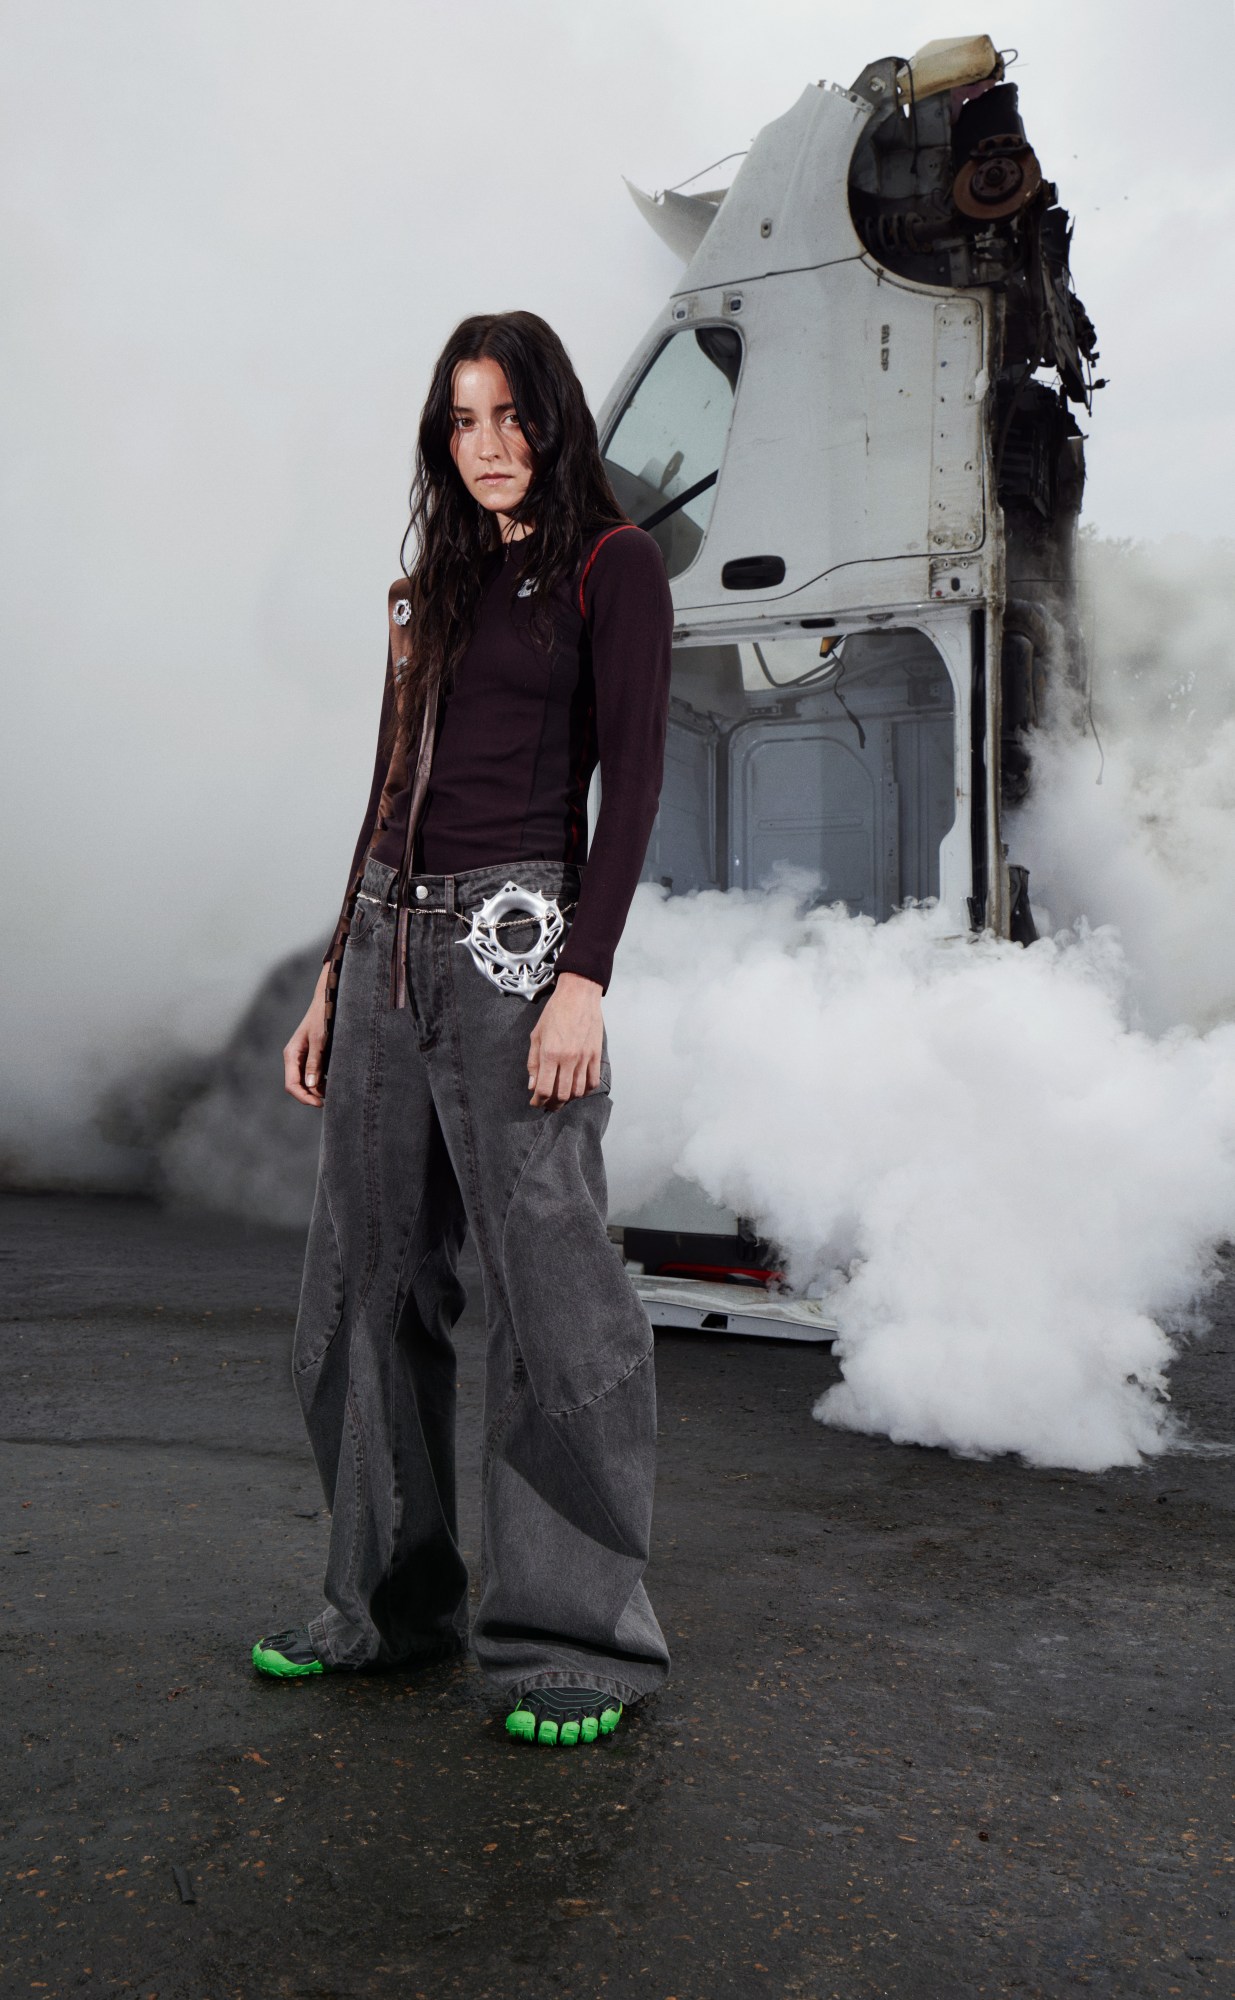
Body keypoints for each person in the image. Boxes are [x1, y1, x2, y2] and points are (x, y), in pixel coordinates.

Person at [252, 310, 675, 1748]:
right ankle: (385, 1606)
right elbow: (388, 789)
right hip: (387, 940)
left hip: (519, 945)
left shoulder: (615, 567)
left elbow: (636, 782)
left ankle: (574, 1636)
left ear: (553, 419)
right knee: (366, 1284)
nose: (487, 446)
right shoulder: (427, 586)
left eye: (510, 416)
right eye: (462, 420)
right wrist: (332, 971)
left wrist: (586, 977)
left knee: (550, 1288)